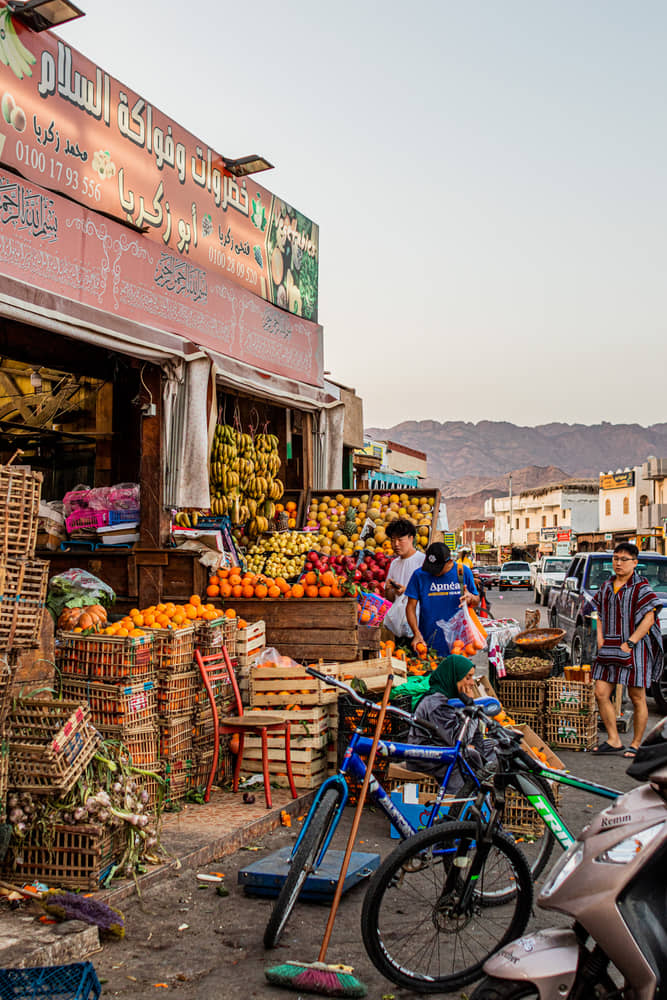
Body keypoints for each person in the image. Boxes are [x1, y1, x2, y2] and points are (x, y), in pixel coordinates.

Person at [592, 542, 664, 758]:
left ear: (635, 562)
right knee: (601, 693)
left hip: (635, 649)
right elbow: (600, 615)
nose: (618, 563)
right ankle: (614, 740)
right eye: (615, 558)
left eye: (624, 559)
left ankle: (635, 744)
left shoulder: (642, 588)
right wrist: (600, 638)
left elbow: (649, 618)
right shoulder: (606, 586)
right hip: (608, 647)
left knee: (636, 696)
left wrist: (630, 642)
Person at [407, 655, 497, 791]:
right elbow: (460, 741)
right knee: (468, 755)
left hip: (445, 747)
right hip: (427, 757)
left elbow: (475, 736)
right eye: (468, 677)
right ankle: (460, 802)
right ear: (454, 677)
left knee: (495, 746)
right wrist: (470, 706)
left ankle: (482, 788)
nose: (472, 683)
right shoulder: (436, 704)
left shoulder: (451, 698)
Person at [405, 542, 479, 657]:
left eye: (438, 568)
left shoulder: (463, 572)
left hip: (459, 645)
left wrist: (471, 598)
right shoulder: (419, 575)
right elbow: (410, 607)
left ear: (450, 561)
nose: (433, 572)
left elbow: (476, 600)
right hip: (427, 642)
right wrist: (416, 633)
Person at [382, 519, 425, 639]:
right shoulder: (394, 564)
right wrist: (389, 589)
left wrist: (408, 591)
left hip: (419, 625)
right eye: (392, 540)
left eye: (400, 540)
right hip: (400, 626)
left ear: (411, 539)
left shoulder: (422, 561)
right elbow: (391, 599)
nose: (396, 544)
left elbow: (429, 594)